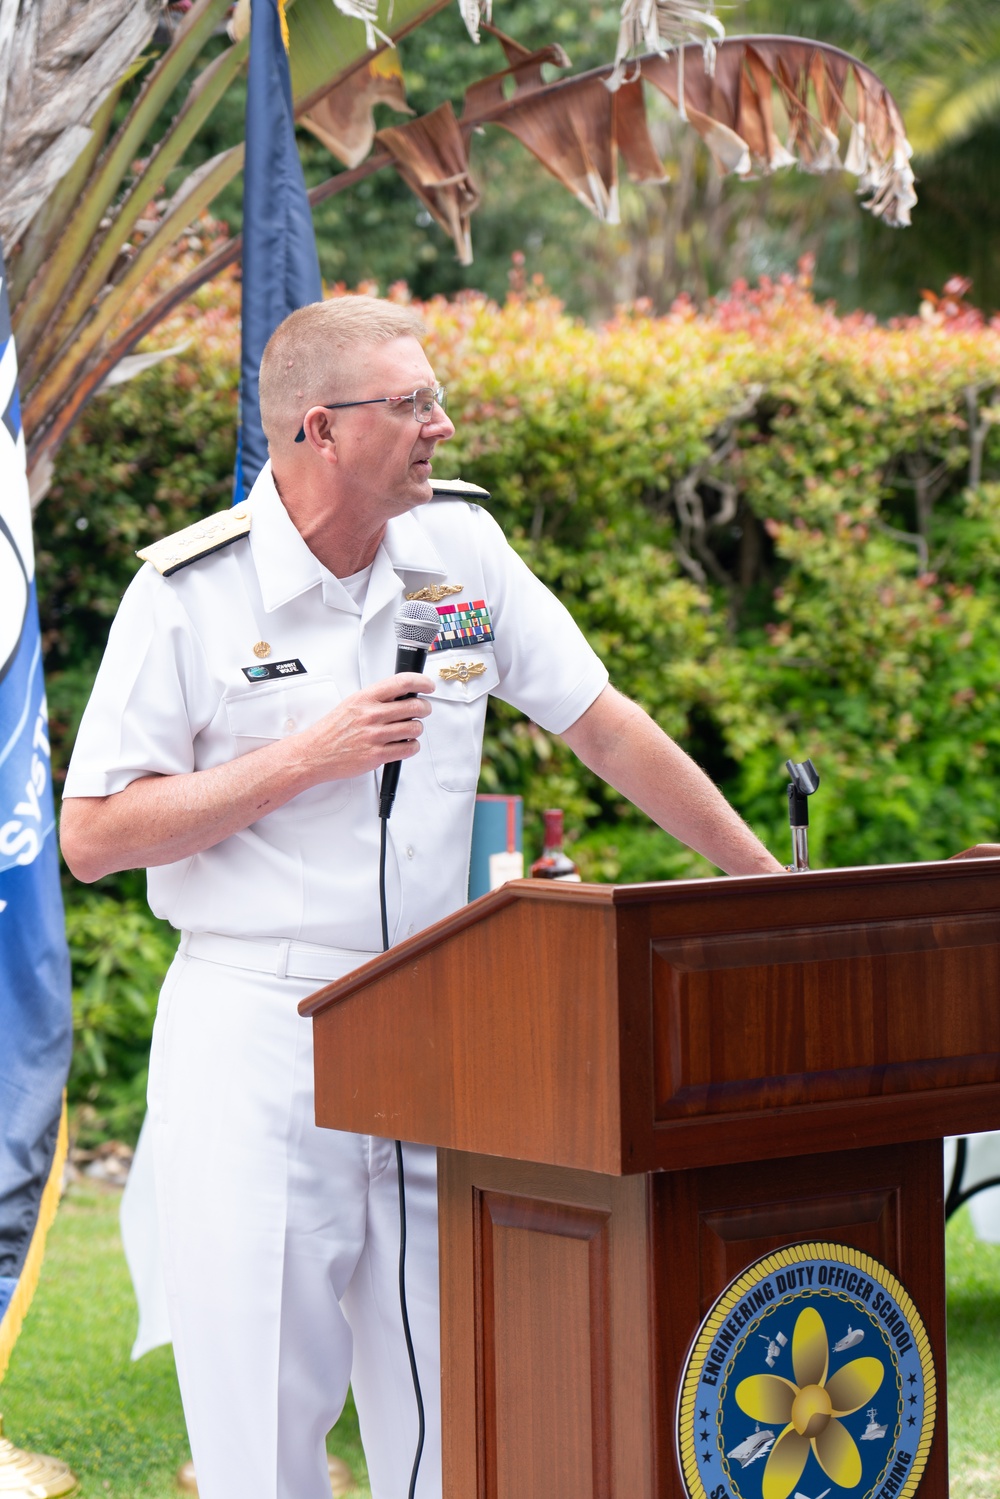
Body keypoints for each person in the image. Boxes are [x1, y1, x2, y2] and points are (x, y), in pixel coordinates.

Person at [60, 295, 781, 1499]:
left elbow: (604, 724)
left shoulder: (463, 554)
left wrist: (764, 890)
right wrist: (303, 755)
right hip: (261, 1033)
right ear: (320, 429)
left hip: (439, 1031)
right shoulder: (187, 595)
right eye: (413, 405)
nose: (442, 426)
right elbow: (92, 837)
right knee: (263, 1414)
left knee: (461, 1395)